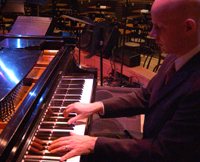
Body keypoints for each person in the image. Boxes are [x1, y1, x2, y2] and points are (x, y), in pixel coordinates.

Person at [48, 0, 200, 161]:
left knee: (86, 149)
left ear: (188, 27)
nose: (151, 34)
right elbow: (146, 96)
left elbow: (165, 152)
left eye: (160, 28)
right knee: (81, 143)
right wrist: (97, 106)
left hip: (158, 153)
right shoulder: (176, 54)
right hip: (151, 143)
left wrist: (93, 144)